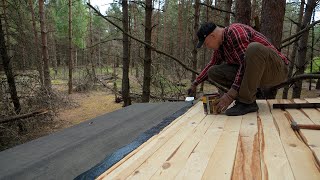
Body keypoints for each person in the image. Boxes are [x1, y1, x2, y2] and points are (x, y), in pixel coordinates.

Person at [188, 22, 288, 116]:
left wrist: (230, 95)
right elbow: (211, 65)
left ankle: (246, 102)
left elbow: (244, 65)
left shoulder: (235, 31)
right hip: (257, 74)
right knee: (213, 72)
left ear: (212, 36)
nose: (207, 47)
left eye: (206, 43)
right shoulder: (220, 47)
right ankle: (251, 97)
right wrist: (195, 83)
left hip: (276, 70)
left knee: (254, 48)